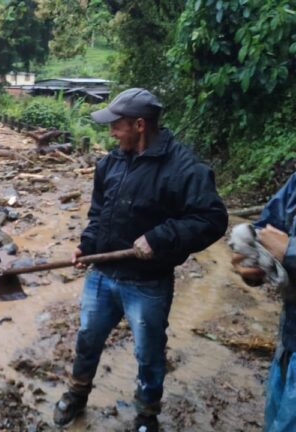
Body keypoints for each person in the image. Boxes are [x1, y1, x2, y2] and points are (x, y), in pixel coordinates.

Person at [52, 88, 228, 431]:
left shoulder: (185, 168)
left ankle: (147, 415)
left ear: (140, 125)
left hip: (148, 284)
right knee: (88, 337)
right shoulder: (111, 162)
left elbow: (212, 219)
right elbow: (99, 212)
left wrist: (160, 238)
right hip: (102, 273)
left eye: (116, 126)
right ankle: (77, 393)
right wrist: (87, 245)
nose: (111, 133)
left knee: (149, 353)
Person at [231, 176, 296, 432]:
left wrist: (288, 251)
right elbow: (266, 229)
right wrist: (251, 262)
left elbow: (283, 247)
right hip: (290, 336)